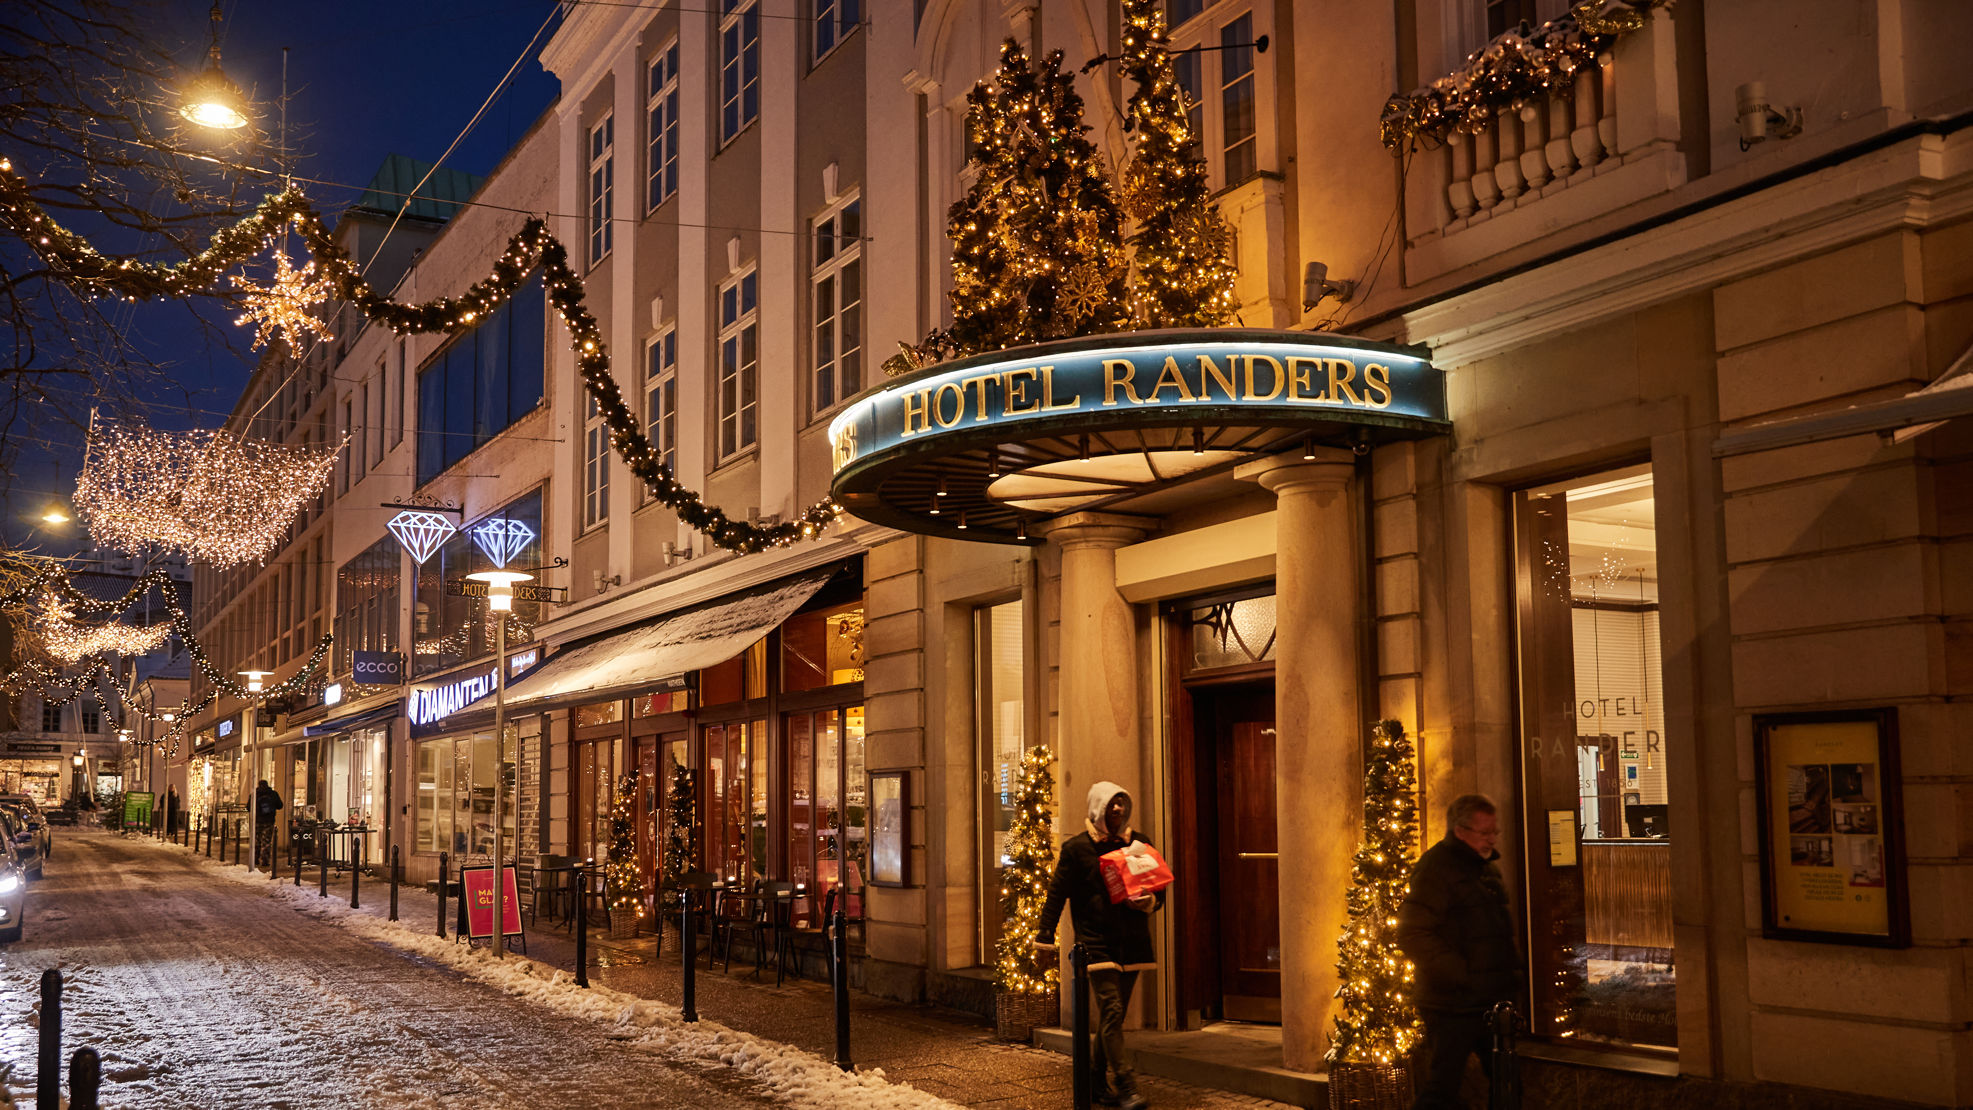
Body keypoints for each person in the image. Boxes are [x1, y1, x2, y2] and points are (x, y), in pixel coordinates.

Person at [1036, 782, 1165, 1110]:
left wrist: (1149, 901)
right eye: (1111, 804)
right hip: (1095, 942)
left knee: (1112, 1019)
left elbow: (1158, 889)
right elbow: (1056, 894)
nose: (1118, 809)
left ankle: (1095, 1079)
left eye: (1122, 803)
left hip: (1133, 942)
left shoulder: (1139, 844)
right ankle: (1126, 1085)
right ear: (1097, 809)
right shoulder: (1077, 849)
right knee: (1112, 1011)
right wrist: (1044, 937)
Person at [1396, 794, 1524, 1110]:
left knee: (1507, 1081)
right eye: (1485, 832)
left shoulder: (1485, 868)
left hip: (1488, 1000)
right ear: (1460, 831)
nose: (1492, 839)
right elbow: (1412, 932)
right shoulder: (1436, 869)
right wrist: (1459, 974)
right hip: (1452, 1003)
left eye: (1495, 831)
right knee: (1443, 1087)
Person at [254, 780, 283, 868]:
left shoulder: (255, 794)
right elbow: (280, 805)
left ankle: (255, 858)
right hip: (269, 821)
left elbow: (248, 807)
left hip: (257, 821)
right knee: (266, 841)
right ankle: (265, 860)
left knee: (257, 840)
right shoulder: (273, 794)